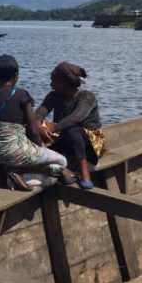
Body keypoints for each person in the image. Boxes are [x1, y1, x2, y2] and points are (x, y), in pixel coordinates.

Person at [0, 55, 71, 190]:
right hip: (14, 151)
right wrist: (40, 148)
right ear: (16, 75)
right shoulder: (22, 95)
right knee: (62, 162)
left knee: (23, 157)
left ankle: (14, 174)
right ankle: (18, 172)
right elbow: (33, 131)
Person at [36, 62, 103, 190]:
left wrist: (53, 128)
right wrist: (39, 127)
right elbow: (38, 115)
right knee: (34, 126)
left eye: (54, 81)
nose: (51, 85)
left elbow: (77, 117)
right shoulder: (53, 96)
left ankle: (85, 173)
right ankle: (45, 160)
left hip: (91, 145)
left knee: (73, 129)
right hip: (66, 141)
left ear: (65, 83)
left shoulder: (87, 97)